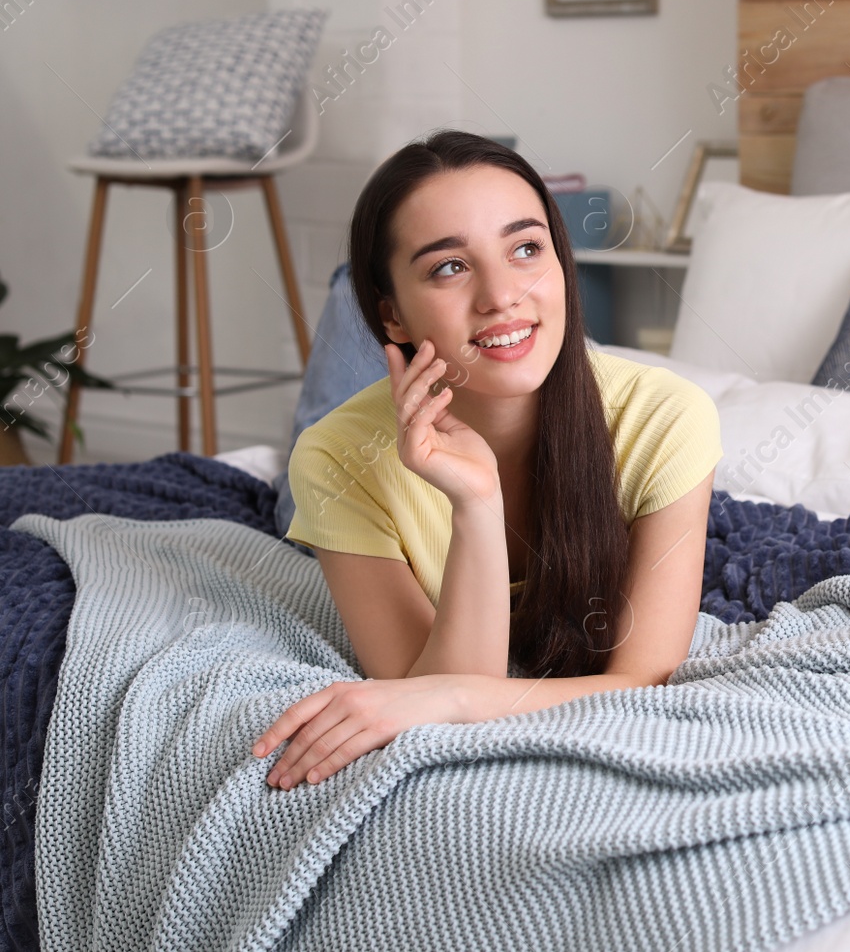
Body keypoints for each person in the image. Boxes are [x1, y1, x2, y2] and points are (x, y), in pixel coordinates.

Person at [254, 130, 722, 790]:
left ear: (562, 264)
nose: (501, 294)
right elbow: (416, 697)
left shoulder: (668, 416)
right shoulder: (333, 457)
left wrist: (463, 697)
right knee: (296, 474)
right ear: (391, 315)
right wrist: (474, 502)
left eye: (526, 248)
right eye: (450, 265)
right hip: (363, 439)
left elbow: (640, 680)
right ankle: (352, 294)